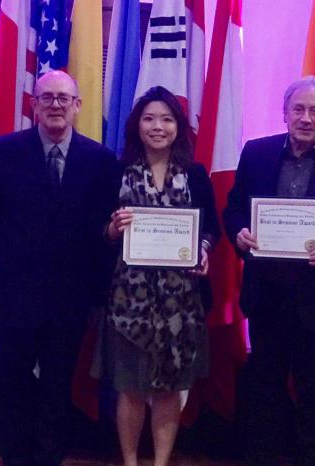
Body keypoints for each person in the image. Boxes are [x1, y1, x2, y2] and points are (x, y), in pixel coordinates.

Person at [0, 70, 119, 466]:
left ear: (78, 106)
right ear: (33, 104)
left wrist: (102, 294)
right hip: (11, 297)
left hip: (70, 300)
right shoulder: (0, 154)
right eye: (46, 97)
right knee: (12, 388)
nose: (55, 105)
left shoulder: (100, 161)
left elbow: (103, 233)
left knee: (57, 389)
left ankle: (49, 459)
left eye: (63, 98)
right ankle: (15, 459)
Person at [223, 76, 315, 466]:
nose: (306, 118)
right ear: (285, 112)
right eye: (298, 109)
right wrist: (239, 233)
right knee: (264, 391)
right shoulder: (256, 153)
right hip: (266, 298)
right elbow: (234, 208)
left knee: (312, 395)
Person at [97, 86, 220, 466]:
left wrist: (202, 251)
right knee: (131, 389)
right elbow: (96, 229)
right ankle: (131, 461)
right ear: (137, 126)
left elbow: (209, 228)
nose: (157, 126)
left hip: (180, 301)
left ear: (177, 127)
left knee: (169, 390)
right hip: (127, 301)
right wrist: (113, 231)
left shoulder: (195, 174)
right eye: (149, 118)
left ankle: (161, 461)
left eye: (166, 119)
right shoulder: (115, 171)